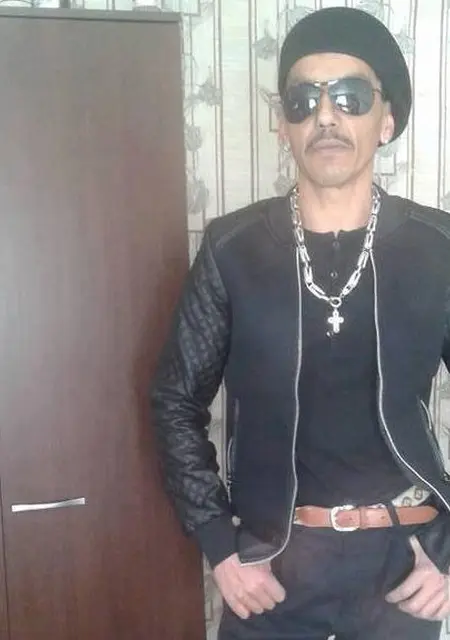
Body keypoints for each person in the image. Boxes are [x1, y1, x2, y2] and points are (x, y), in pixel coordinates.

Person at [151, 6, 450, 639]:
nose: (326, 116)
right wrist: (219, 543)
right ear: (283, 126)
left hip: (403, 565)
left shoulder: (438, 248)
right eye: (303, 100)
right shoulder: (233, 249)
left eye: (350, 96)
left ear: (386, 119)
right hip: (271, 565)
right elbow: (175, 399)